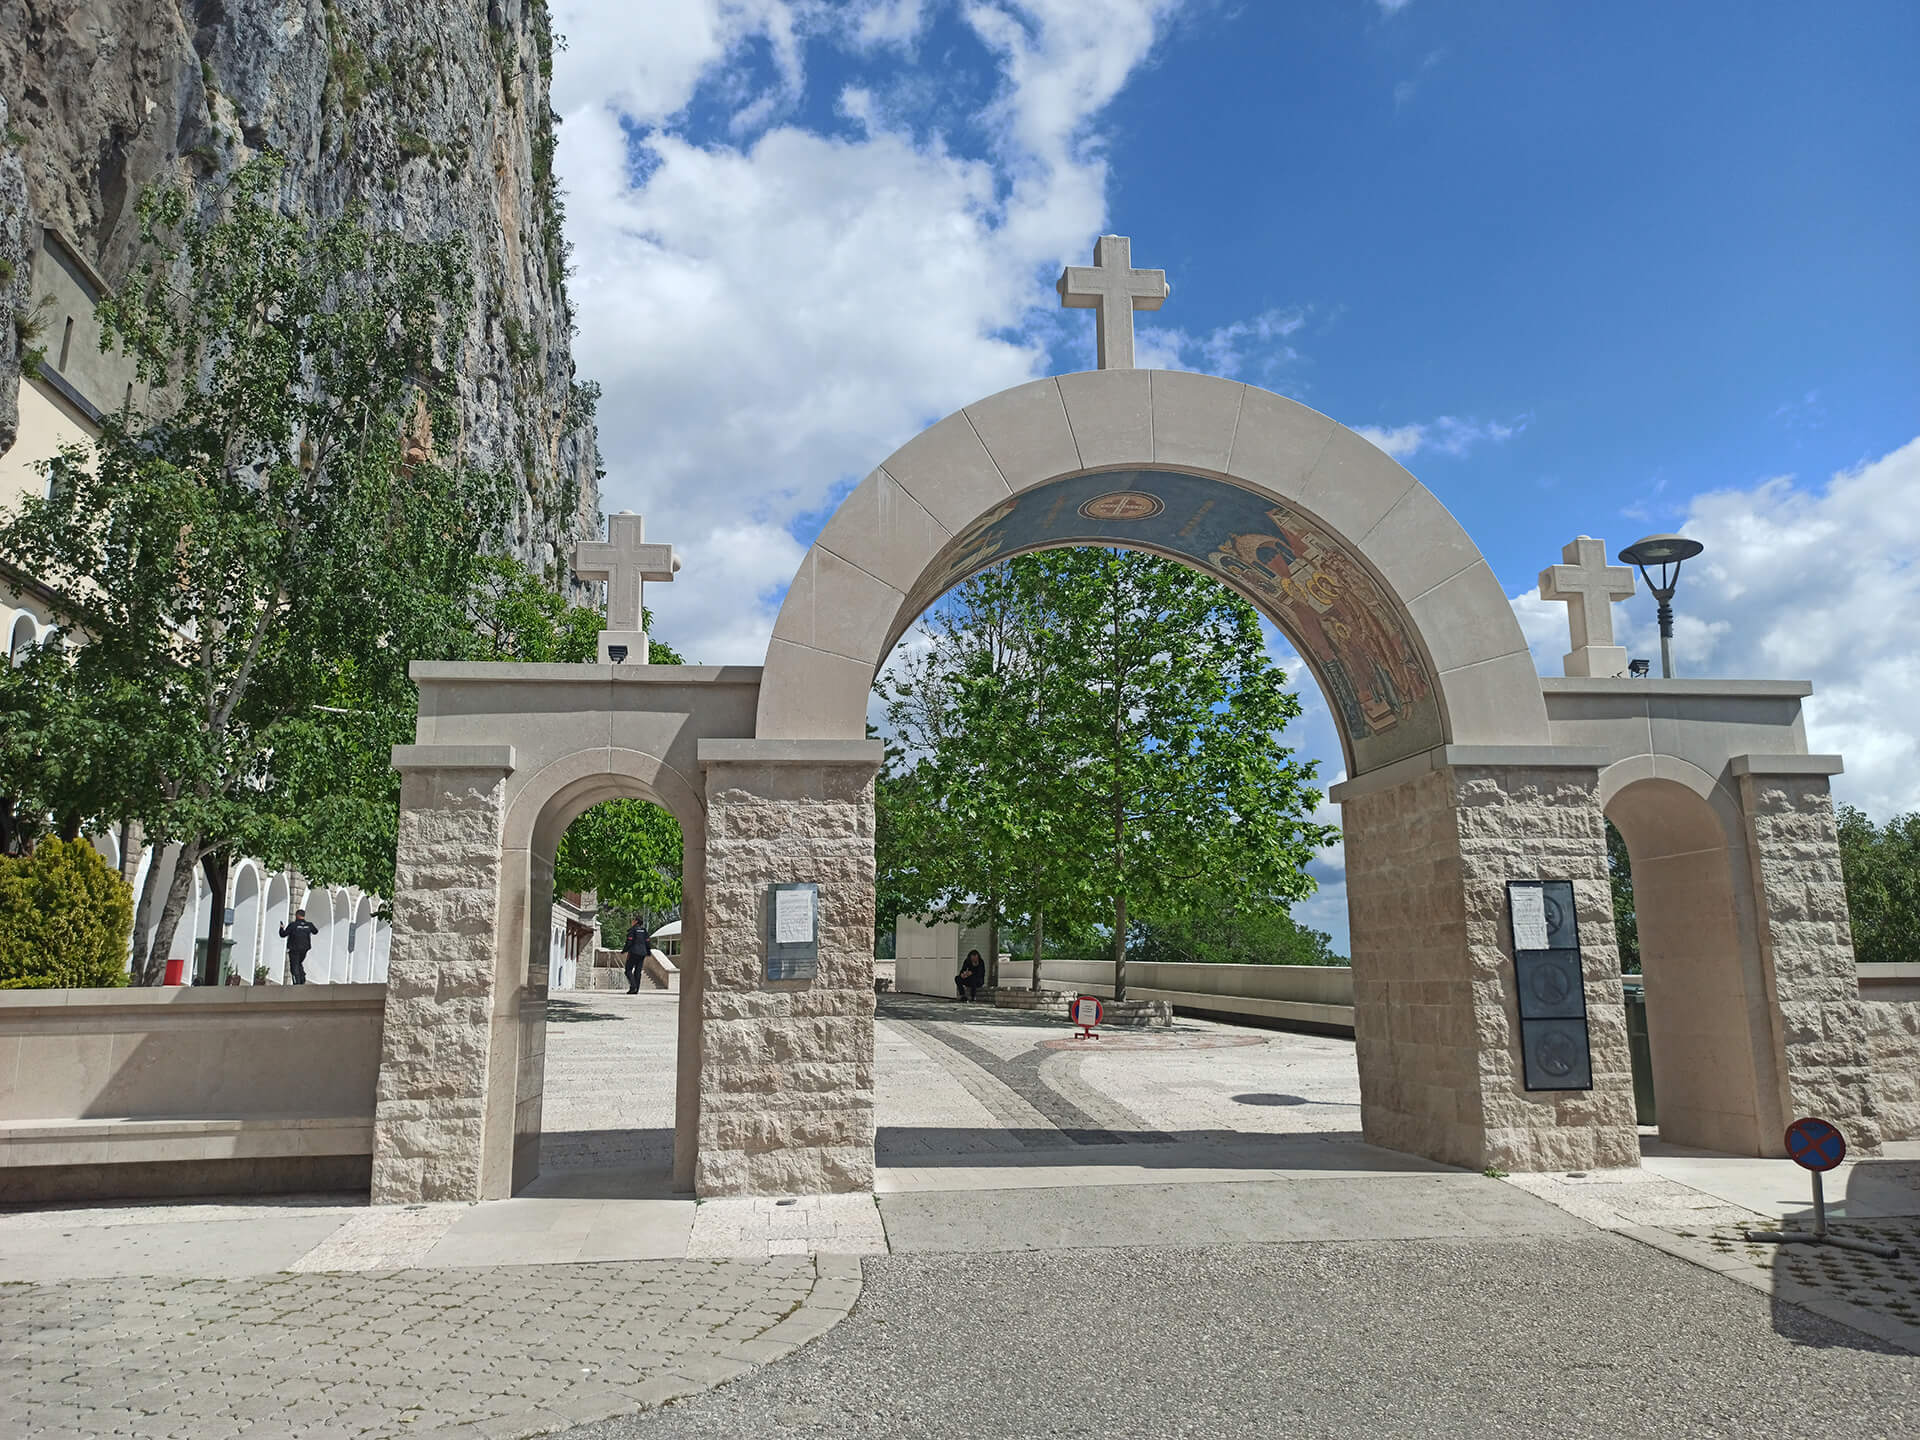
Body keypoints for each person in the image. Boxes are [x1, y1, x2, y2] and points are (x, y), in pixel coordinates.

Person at [278, 907, 318, 985]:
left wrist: (281, 928)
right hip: (305, 949)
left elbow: (283, 934)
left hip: (294, 949)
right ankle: (302, 978)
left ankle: (297, 983)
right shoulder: (309, 924)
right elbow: (315, 931)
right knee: (299, 962)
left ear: (297, 915)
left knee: (294, 966)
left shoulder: (293, 925)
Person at [623, 918, 653, 995]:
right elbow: (647, 942)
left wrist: (624, 950)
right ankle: (636, 989)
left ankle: (633, 986)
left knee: (628, 970)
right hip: (642, 953)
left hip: (633, 952)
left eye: (633, 920)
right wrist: (648, 952)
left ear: (636, 922)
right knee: (638, 971)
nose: (632, 922)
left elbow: (629, 941)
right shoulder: (644, 931)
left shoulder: (632, 930)